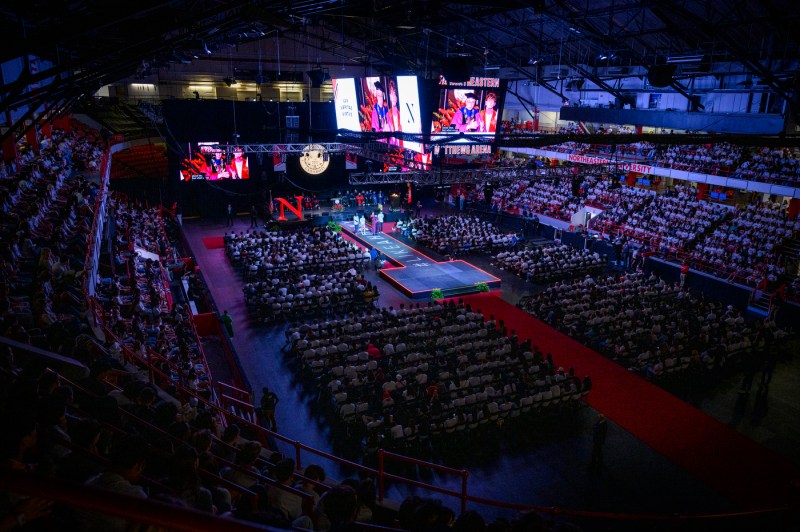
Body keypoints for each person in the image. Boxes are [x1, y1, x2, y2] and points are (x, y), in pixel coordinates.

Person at [387, 79, 403, 147]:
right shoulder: (387, 114)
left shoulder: (401, 114)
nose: (393, 97)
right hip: (392, 146)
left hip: (401, 145)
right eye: (391, 94)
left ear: (397, 97)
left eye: (394, 94)